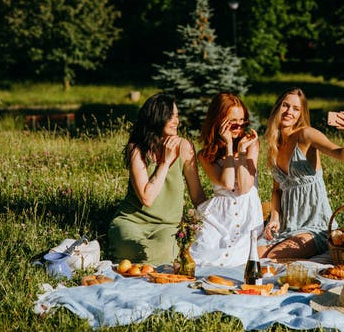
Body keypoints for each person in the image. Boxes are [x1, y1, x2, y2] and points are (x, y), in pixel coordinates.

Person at [108, 93, 206, 265]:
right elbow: (147, 198)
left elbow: (197, 194)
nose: (176, 121)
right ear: (156, 117)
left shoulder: (184, 147)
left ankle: (139, 261)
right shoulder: (137, 149)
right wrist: (165, 162)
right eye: (170, 116)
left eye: (177, 116)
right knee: (134, 247)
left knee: (163, 252)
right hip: (132, 221)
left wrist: (215, 222)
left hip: (167, 227)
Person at [257, 87, 344, 259]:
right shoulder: (275, 145)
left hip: (315, 227)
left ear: (301, 114)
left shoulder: (306, 135)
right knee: (252, 256)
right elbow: (277, 190)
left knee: (273, 258)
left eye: (296, 109)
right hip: (286, 227)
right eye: (285, 106)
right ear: (277, 108)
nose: (289, 112)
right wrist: (274, 219)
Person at [190, 92, 264, 267]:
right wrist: (230, 146)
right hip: (220, 214)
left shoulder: (251, 144)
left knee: (240, 257)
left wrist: (242, 151)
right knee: (205, 254)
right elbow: (228, 183)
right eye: (233, 122)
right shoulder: (205, 154)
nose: (239, 126)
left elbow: (245, 187)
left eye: (242, 121)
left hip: (247, 212)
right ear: (219, 121)